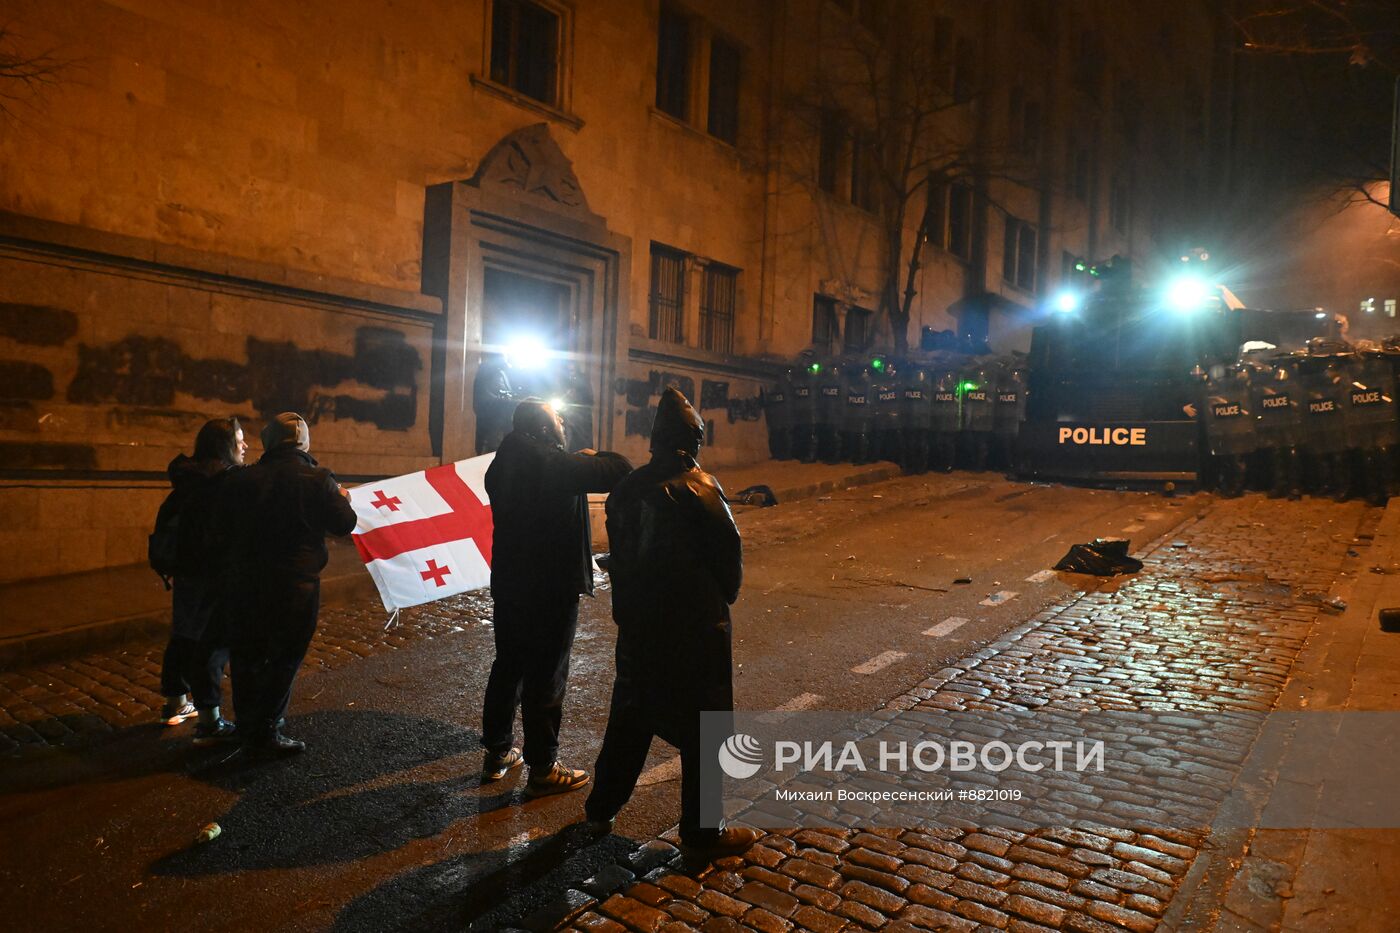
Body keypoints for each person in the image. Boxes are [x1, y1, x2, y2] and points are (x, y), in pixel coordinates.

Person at [585, 388, 760, 862]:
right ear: (690, 441)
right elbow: (730, 559)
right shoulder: (701, 487)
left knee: (630, 717)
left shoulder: (625, 490)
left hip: (640, 627)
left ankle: (601, 806)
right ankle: (703, 831)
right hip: (694, 630)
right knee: (707, 727)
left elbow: (619, 556)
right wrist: (722, 599)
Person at [481, 399, 632, 795]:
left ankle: (498, 752)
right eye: (557, 418)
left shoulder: (505, 461)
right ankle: (544, 768)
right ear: (544, 428)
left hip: (512, 583)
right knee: (547, 675)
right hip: (550, 587)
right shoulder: (549, 464)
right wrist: (590, 456)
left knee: (509, 665)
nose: (563, 422)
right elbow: (620, 469)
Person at [217, 412, 358, 755]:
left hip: (247, 583)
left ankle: (247, 724)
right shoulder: (319, 479)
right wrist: (342, 498)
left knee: (248, 653)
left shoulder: (242, 479)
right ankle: (267, 730)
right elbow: (344, 524)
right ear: (303, 443)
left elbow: (222, 526)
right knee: (285, 657)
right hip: (297, 586)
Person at [157, 418, 246, 744]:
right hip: (212, 576)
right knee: (213, 645)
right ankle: (210, 721)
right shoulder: (220, 485)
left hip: (185, 574)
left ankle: (174, 702)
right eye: (239, 440)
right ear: (224, 448)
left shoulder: (188, 479)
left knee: (183, 635)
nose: (244, 446)